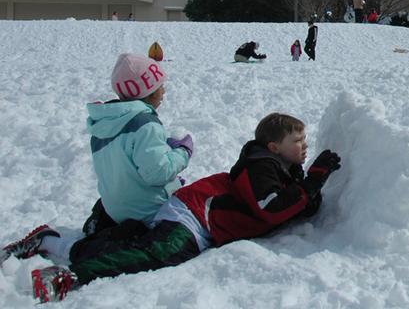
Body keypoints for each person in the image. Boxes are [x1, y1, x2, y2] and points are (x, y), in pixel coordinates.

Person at [4, 113, 341, 303]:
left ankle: (54, 242)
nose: (305, 145)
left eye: (304, 139)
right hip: (193, 218)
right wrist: (312, 180)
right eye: (297, 141)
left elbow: (300, 208)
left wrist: (310, 182)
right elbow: (272, 208)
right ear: (273, 147)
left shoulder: (279, 168)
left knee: (140, 247)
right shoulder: (260, 166)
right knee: (157, 254)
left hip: (193, 216)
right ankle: (74, 273)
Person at [80, 54, 192, 237]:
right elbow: (159, 173)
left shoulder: (103, 125)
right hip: (147, 213)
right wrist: (183, 152)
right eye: (160, 86)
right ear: (148, 90)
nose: (163, 92)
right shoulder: (145, 125)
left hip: (116, 211)